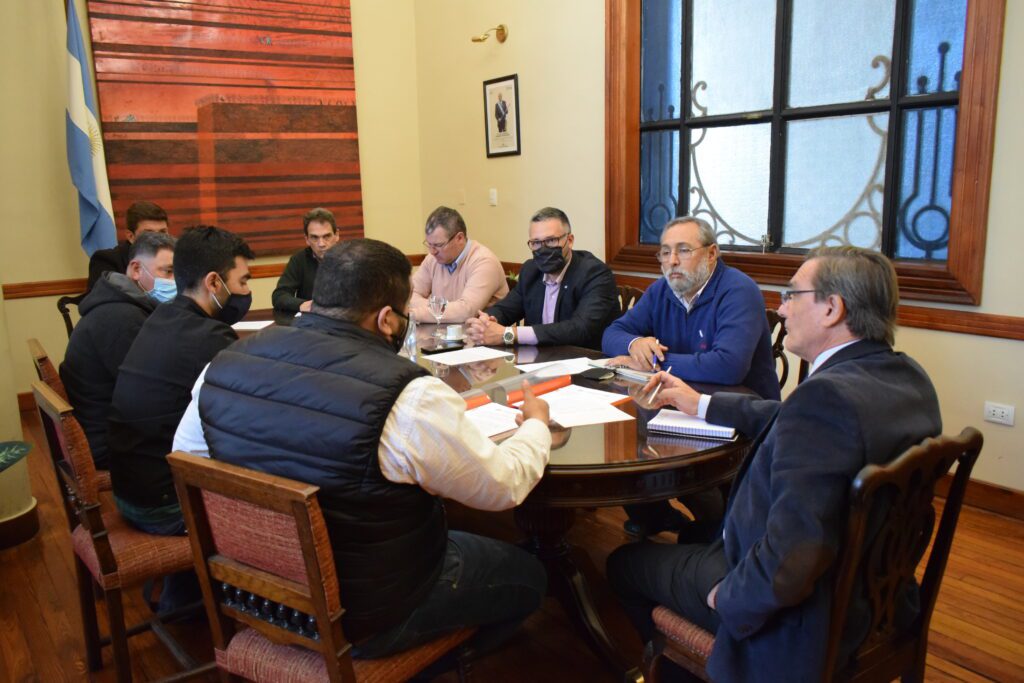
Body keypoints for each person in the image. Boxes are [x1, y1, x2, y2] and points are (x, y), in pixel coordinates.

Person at [173, 238, 550, 661]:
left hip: (256, 594)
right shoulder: (407, 397)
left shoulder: (221, 366)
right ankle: (421, 666)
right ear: (387, 319)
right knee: (530, 576)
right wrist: (536, 425)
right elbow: (502, 487)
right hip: (367, 614)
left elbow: (190, 462)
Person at [606, 247, 942, 683]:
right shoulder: (907, 378)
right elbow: (794, 420)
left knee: (624, 563)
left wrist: (727, 599)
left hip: (800, 622)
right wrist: (700, 403)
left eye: (791, 295)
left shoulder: (824, 400)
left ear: (832, 308)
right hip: (878, 594)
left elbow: (795, 556)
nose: (781, 310)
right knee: (693, 535)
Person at [602, 216, 780, 539]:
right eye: (665, 252)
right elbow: (612, 333)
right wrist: (635, 343)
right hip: (678, 407)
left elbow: (728, 366)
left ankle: (714, 535)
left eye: (683, 250)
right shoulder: (662, 290)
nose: (671, 261)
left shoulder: (738, 290)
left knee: (687, 477)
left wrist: (654, 365)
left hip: (738, 416)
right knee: (624, 444)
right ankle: (656, 515)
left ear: (711, 254)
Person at [61, 231, 176, 470]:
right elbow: (151, 395)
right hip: (112, 445)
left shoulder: (120, 305)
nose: (174, 281)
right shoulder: (122, 318)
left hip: (111, 430)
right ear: (136, 270)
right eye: (167, 271)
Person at [465, 207, 619, 350]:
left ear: (570, 240)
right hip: (538, 360)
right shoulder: (531, 270)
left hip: (585, 362)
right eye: (536, 243)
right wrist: (486, 321)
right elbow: (506, 309)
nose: (543, 249)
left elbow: (580, 328)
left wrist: (509, 334)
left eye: (551, 240)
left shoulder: (594, 273)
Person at [408, 206, 508, 324]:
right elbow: (409, 294)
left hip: (478, 334)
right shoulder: (432, 259)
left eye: (438, 245)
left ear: (459, 238)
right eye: (429, 244)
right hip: (442, 332)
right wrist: (439, 309)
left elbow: (465, 311)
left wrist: (415, 313)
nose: (432, 251)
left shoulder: (484, 261)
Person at [271, 207, 340, 314]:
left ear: (336, 235)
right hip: (311, 318)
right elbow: (279, 296)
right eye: (314, 238)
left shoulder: (352, 259)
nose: (321, 244)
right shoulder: (299, 260)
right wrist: (302, 305)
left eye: (326, 236)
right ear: (307, 239)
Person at [87, 200, 169, 289]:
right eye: (149, 234)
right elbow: (105, 295)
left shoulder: (174, 258)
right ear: (131, 236)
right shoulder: (106, 260)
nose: (158, 239)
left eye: (162, 232)